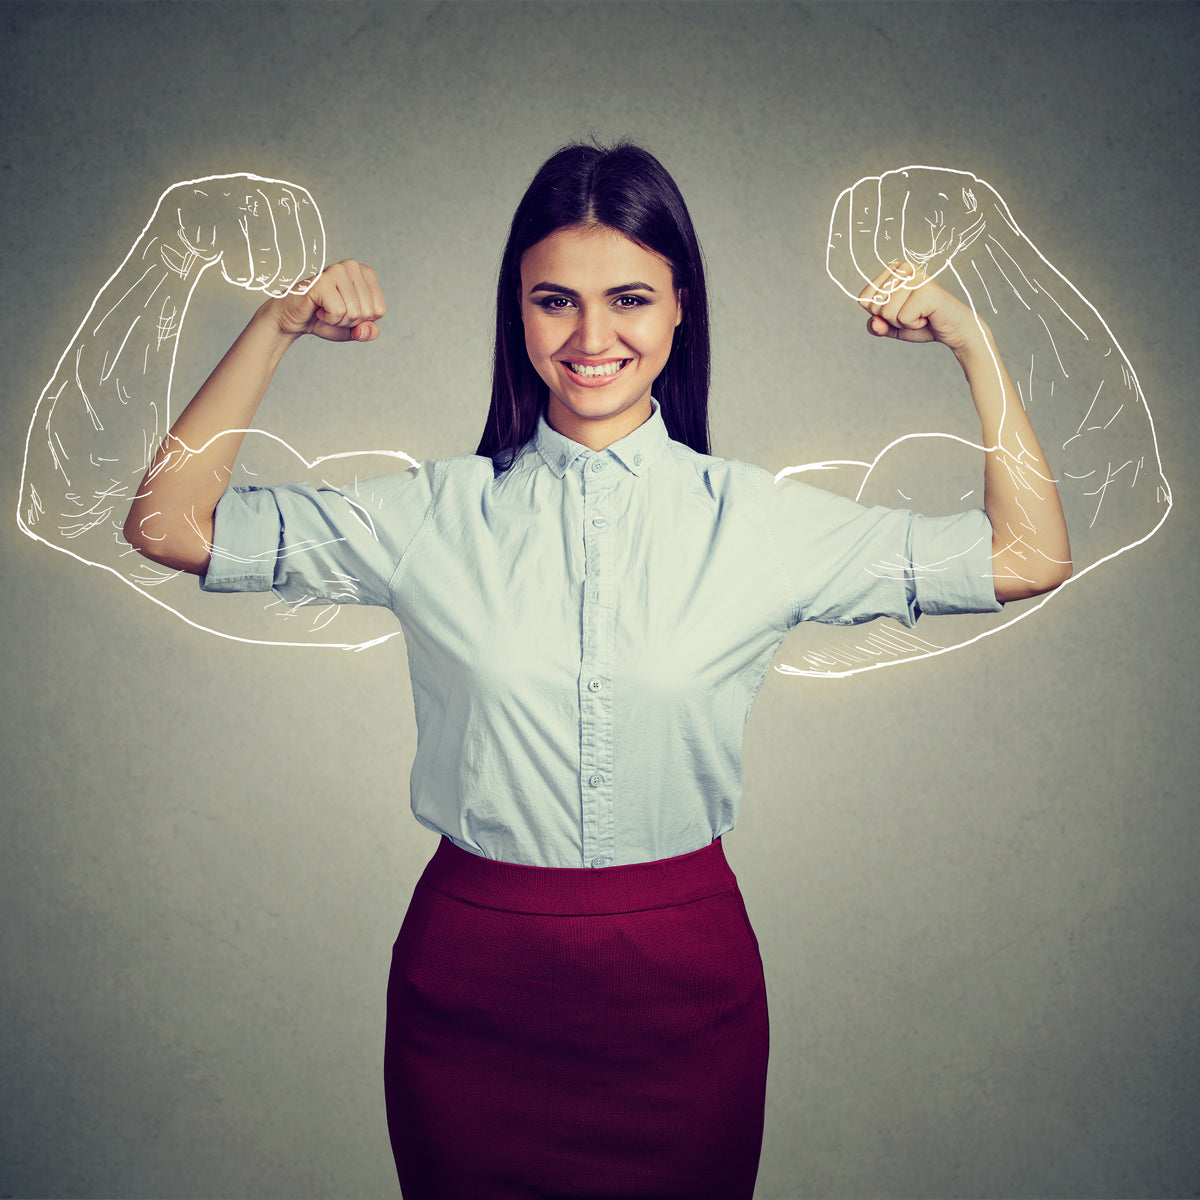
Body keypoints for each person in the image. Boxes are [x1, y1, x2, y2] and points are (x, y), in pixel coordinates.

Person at [123, 141, 1071, 1199]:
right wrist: (276, 326)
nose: (591, 337)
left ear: (679, 311)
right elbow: (167, 524)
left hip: (685, 992)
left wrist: (974, 344)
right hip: (468, 989)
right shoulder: (429, 516)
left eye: (628, 298)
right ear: (517, 315)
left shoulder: (760, 523)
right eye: (553, 301)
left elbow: (1025, 557)